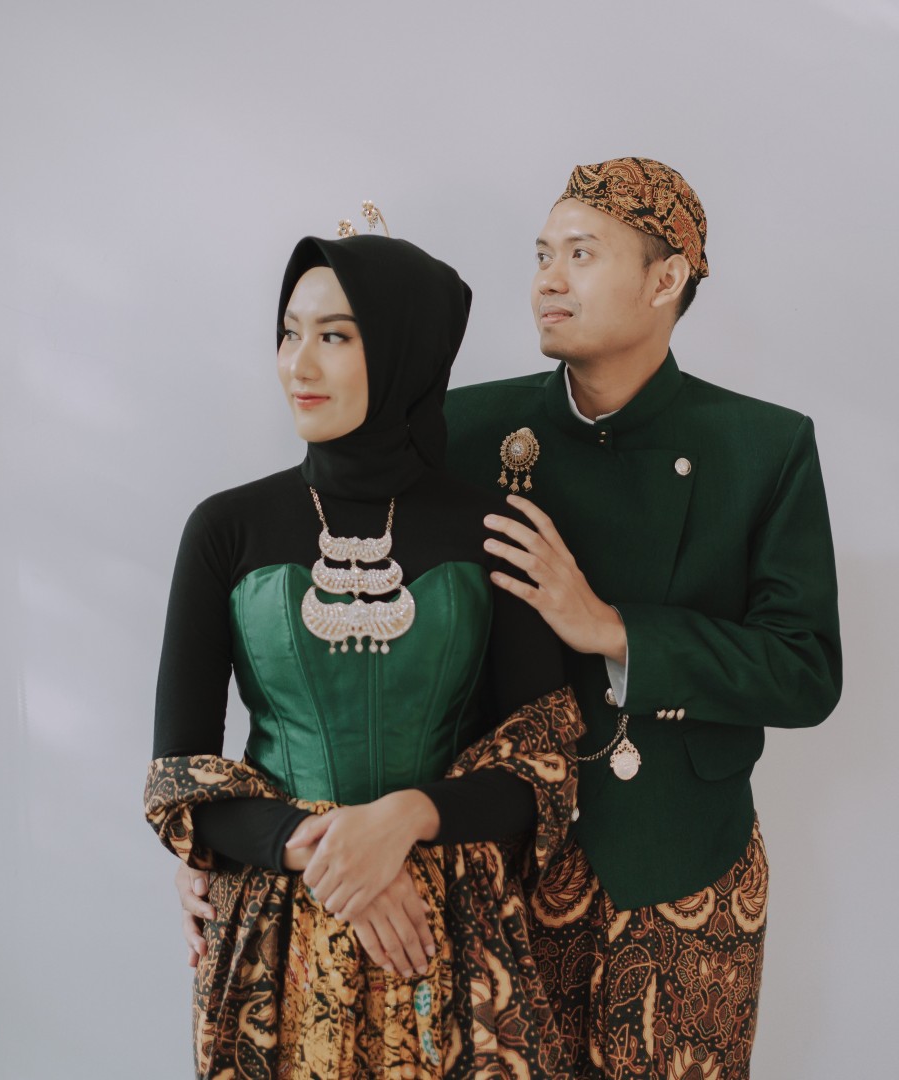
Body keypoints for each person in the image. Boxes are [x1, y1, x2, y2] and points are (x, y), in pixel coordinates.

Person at [177, 158, 842, 1079]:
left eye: (580, 254)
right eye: (540, 254)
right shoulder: (462, 425)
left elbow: (805, 670)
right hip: (487, 875)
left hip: (681, 862)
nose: (547, 280)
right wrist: (231, 841)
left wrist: (612, 628)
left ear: (666, 279)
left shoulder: (763, 446)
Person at [146, 229, 582, 1078]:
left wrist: (407, 818)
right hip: (274, 936)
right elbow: (178, 779)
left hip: (451, 939)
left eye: (335, 336)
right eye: (288, 333)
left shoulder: (496, 528)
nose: (298, 365)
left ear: (403, 350)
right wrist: (331, 852)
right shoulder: (224, 528)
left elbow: (542, 770)